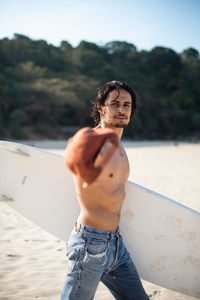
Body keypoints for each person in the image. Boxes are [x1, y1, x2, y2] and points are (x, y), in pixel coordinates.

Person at [61, 81, 149, 300]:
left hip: (116, 244)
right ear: (100, 107)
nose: (121, 110)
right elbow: (76, 155)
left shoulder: (119, 148)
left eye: (127, 105)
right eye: (115, 104)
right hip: (90, 246)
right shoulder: (91, 140)